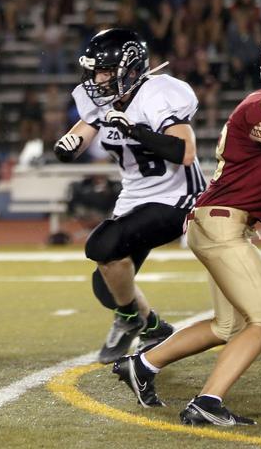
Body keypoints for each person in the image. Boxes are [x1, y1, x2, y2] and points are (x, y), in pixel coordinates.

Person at [113, 27, 261, 425]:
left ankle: (143, 365)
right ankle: (207, 403)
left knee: (227, 325)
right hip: (222, 225)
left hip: (221, 224)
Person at [53, 28, 205, 364]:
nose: (97, 78)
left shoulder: (158, 94)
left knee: (100, 245)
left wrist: (135, 130)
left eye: (105, 71)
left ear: (131, 69)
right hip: (135, 197)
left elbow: (185, 152)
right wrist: (66, 148)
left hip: (178, 197)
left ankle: (130, 319)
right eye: (95, 71)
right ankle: (152, 327)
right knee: (108, 286)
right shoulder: (100, 99)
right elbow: (80, 135)